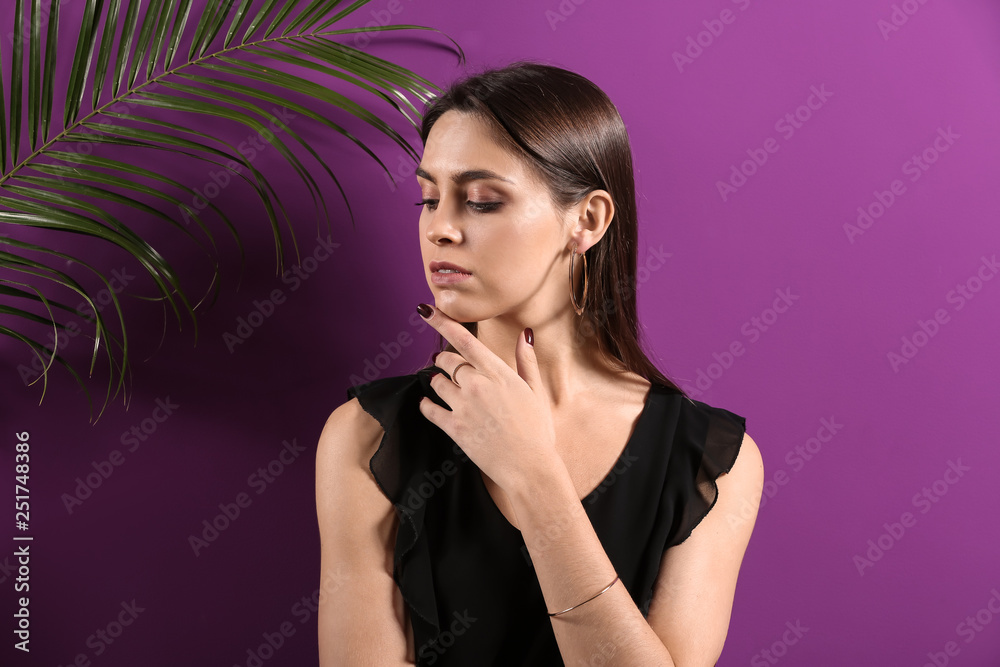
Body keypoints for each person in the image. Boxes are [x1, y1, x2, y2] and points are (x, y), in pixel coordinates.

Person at [315, 60, 764, 666]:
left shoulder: (710, 461)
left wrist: (535, 478)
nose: (440, 228)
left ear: (587, 220)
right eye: (428, 199)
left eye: (481, 201)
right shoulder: (368, 436)